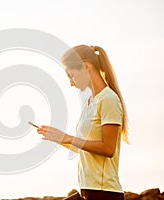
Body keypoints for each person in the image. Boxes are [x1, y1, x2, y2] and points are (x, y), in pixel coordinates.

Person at [37, 45, 129, 200]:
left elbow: (108, 148)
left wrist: (68, 137)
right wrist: (59, 138)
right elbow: (84, 148)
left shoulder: (109, 99)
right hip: (86, 189)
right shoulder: (89, 103)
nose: (71, 83)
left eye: (71, 75)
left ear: (86, 67)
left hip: (104, 193)